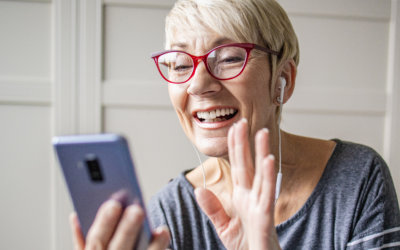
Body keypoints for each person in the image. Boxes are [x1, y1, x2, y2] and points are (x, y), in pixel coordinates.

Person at [70, 0, 400, 249]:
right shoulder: (168, 215)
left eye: (228, 58)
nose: (197, 85)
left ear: (282, 79)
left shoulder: (358, 178)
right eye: (180, 63)